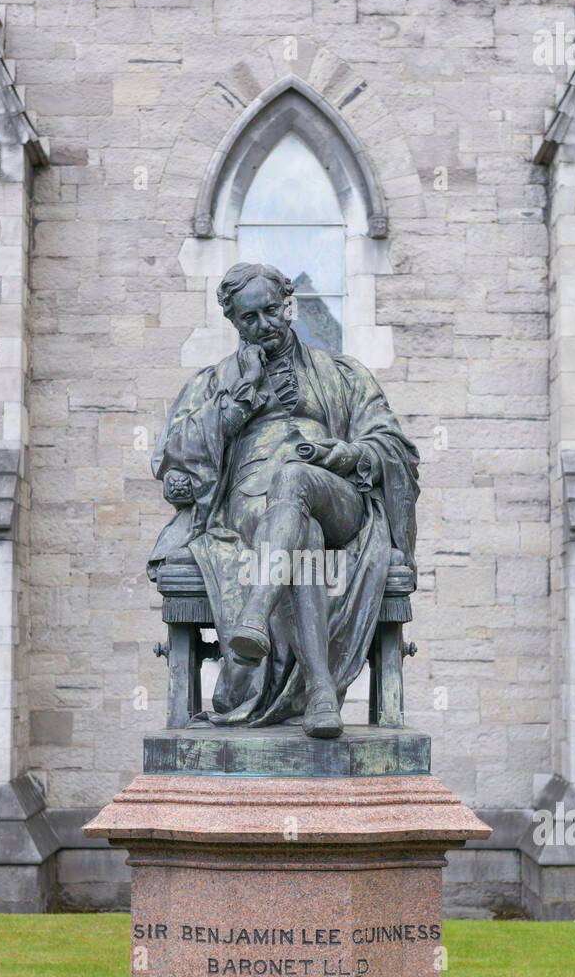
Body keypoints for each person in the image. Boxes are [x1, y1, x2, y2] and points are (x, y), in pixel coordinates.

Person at [149, 262, 419, 738]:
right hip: (250, 504)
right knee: (302, 532)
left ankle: (254, 613)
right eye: (249, 318)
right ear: (235, 322)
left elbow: (394, 447)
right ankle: (320, 694)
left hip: (337, 498)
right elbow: (174, 456)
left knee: (296, 477)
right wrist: (234, 407)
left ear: (288, 305)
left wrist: (343, 453)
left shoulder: (342, 373)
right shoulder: (216, 383)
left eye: (271, 311)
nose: (264, 326)